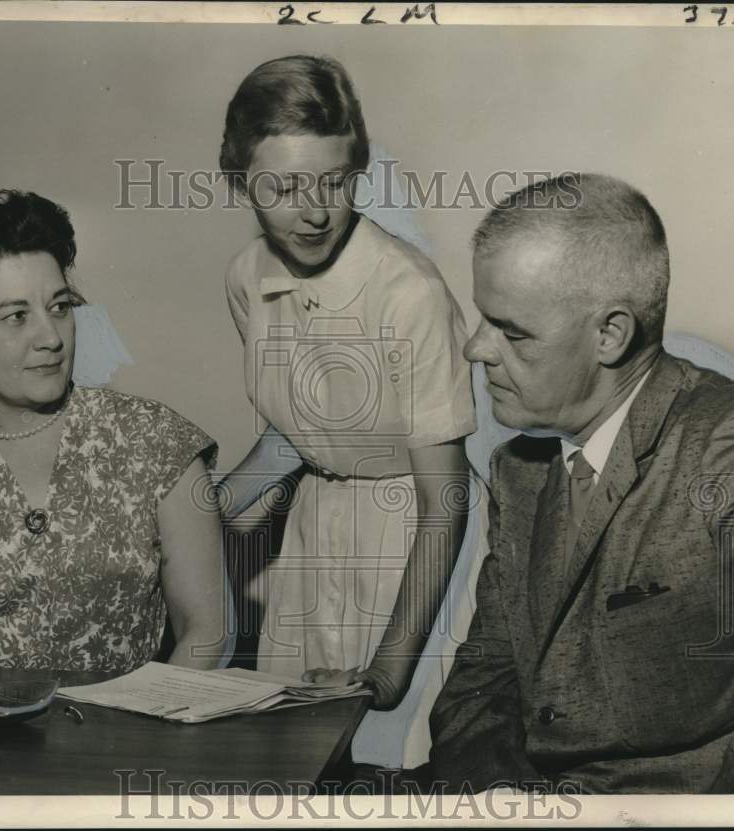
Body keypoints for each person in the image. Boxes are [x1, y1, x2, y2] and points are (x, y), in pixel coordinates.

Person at [430, 173, 734, 793]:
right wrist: (499, 800)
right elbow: (486, 671)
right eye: (480, 319)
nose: (476, 348)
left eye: (511, 330)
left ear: (610, 334)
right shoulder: (517, 471)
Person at [219, 55, 475, 766]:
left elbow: (445, 499)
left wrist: (389, 673)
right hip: (312, 540)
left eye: (334, 180)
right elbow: (299, 431)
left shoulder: (408, 294)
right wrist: (202, 515)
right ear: (240, 177)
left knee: (395, 766)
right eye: (285, 186)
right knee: (289, 768)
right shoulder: (247, 278)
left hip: (412, 549)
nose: (315, 209)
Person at [0, 190, 230, 673]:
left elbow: (209, 634)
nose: (52, 338)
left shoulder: (157, 442)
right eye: (17, 316)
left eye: (60, 307)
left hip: (138, 740)